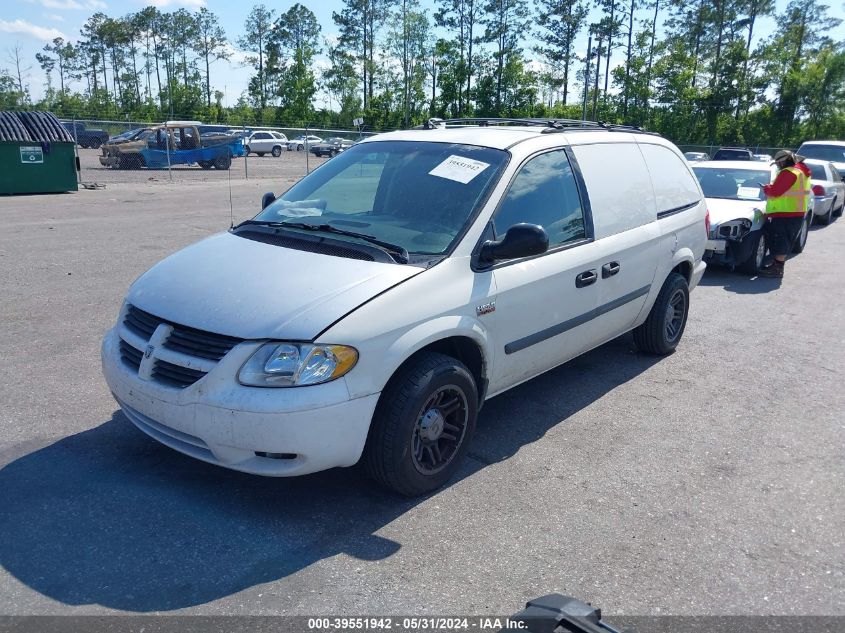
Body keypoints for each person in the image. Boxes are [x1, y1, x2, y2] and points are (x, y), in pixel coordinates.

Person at [758, 149, 811, 278]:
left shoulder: (789, 173)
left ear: (783, 162)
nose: (777, 166)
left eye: (777, 163)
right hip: (793, 213)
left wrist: (766, 188)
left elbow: (775, 192)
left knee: (781, 240)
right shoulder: (800, 171)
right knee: (784, 240)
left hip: (786, 213)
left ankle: (777, 270)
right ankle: (776, 267)